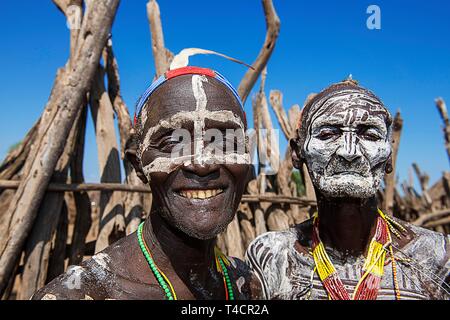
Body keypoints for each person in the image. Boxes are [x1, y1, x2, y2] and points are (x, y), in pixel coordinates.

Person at [33, 66, 261, 300]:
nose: (202, 164)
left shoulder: (246, 284)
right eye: (173, 142)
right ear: (138, 165)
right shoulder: (82, 294)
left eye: (223, 140)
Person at [246, 78, 450, 300]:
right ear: (298, 153)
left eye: (370, 135)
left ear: (388, 156)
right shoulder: (273, 257)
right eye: (327, 134)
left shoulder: (437, 257)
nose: (349, 152)